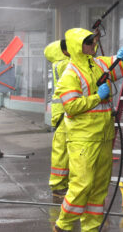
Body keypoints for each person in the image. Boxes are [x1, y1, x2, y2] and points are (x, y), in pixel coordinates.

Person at [54, 28, 123, 232]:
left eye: (92, 40)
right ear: (77, 46)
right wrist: (97, 97)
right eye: (88, 41)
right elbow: (70, 106)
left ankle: (91, 228)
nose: (93, 44)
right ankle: (62, 226)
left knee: (99, 188)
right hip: (83, 140)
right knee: (81, 185)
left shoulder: (100, 64)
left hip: (104, 137)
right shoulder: (70, 74)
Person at [44, 39, 71, 198]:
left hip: (61, 111)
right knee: (62, 150)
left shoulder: (59, 63)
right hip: (64, 111)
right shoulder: (64, 64)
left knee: (62, 149)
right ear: (65, 51)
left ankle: (61, 184)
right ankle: (59, 185)